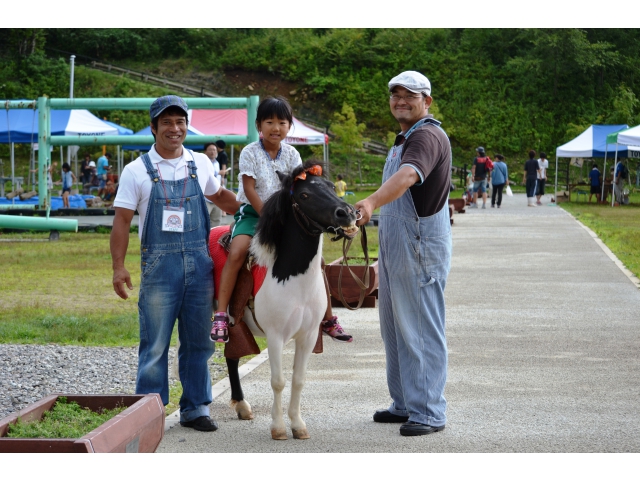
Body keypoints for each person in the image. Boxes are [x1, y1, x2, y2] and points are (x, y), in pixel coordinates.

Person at [110, 95, 240, 432]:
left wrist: (254, 210)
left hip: (200, 267)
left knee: (199, 342)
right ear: (153, 128)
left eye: (180, 122)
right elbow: (122, 221)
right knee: (154, 344)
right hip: (159, 271)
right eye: (166, 122)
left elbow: (219, 196)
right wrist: (118, 267)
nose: (175, 128)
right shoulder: (136, 171)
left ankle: (196, 408)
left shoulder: (200, 163)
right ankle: (148, 413)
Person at [355, 71, 452, 437]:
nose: (401, 100)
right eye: (395, 95)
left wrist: (372, 200)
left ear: (426, 102)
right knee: (394, 328)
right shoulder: (403, 139)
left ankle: (428, 411)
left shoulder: (426, 135)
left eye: (410, 95)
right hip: (397, 248)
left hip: (419, 246)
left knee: (420, 329)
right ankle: (405, 403)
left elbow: (410, 176)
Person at [212, 96, 352, 344]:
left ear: (289, 126)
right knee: (237, 251)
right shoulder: (250, 152)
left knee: (315, 260)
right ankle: (222, 313)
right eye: (269, 122)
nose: (276, 128)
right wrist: (267, 214)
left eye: (282, 122)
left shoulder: (292, 154)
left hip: (287, 214)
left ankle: (328, 318)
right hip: (254, 213)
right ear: (259, 126)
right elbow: (249, 187)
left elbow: (296, 189)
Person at [203, 142, 223, 227]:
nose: (212, 152)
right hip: (206, 198)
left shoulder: (217, 163)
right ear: (205, 152)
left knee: (216, 221)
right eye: (210, 150)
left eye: (214, 150)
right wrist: (218, 172)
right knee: (204, 221)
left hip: (217, 198)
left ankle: (214, 239)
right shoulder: (203, 162)